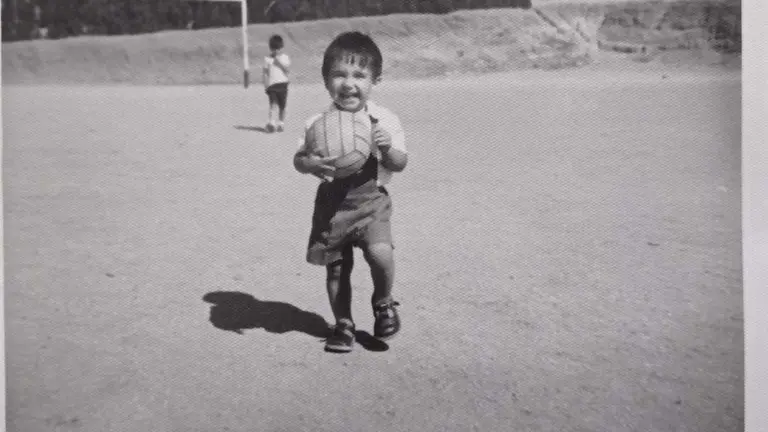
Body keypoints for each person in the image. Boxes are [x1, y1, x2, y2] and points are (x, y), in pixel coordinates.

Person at [293, 32, 408, 353]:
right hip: (333, 208)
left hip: (371, 203)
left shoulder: (384, 120)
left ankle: (383, 302)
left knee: (380, 253)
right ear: (325, 80)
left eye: (360, 75)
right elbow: (299, 159)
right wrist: (309, 162)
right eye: (339, 74)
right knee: (337, 270)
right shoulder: (318, 123)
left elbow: (400, 163)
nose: (349, 83)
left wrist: (385, 149)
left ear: (376, 80)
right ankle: (343, 324)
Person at [262, 34, 291, 132]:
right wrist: (266, 84)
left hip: (283, 84)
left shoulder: (285, 57)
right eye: (274, 49)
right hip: (272, 85)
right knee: (273, 104)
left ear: (281, 47)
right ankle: (271, 123)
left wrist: (279, 63)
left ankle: (281, 123)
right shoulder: (267, 59)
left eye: (278, 49)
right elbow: (265, 73)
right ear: (270, 48)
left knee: (282, 106)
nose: (276, 51)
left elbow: (287, 70)